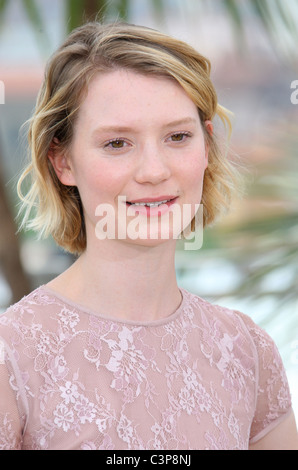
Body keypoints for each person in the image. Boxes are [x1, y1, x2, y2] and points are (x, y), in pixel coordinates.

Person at [0, 21, 297, 451]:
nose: (155, 171)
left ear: (207, 146)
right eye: (118, 143)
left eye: (178, 136)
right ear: (62, 162)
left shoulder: (247, 351)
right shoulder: (11, 356)